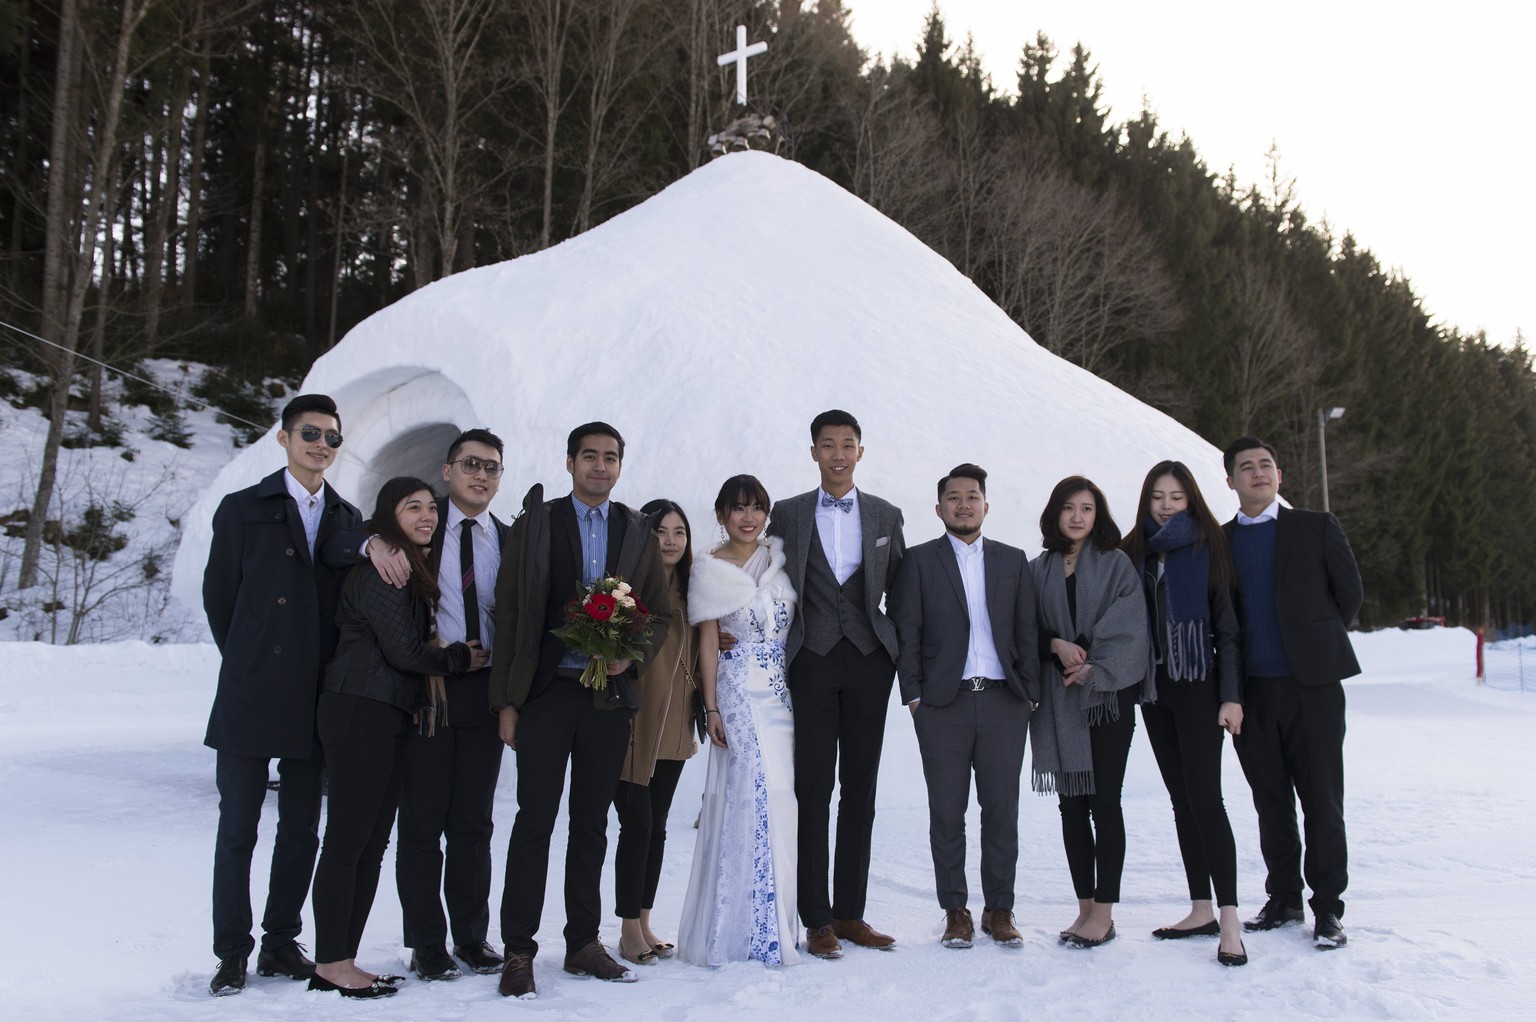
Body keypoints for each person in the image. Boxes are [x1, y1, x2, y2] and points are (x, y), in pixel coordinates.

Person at [489, 422, 672, 999]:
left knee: (592, 824)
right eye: (588, 456)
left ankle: (582, 942)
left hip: (606, 701)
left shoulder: (637, 531)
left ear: (621, 465)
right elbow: (511, 612)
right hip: (546, 694)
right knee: (534, 821)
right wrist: (508, 702)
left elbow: (661, 614)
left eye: (610, 458)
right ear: (569, 463)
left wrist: (629, 659)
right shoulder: (538, 524)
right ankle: (519, 949)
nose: (600, 466)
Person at [201, 393, 364, 996]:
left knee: (301, 829)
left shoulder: (348, 519)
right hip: (251, 693)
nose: (322, 445)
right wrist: (250, 657)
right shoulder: (244, 510)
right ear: (284, 438)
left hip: (315, 698)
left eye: (332, 438)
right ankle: (232, 951)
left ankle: (278, 941)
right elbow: (221, 599)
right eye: (311, 434)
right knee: (238, 829)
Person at [309, 478, 486, 998]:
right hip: (358, 710)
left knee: (370, 843)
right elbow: (406, 653)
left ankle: (344, 958)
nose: (427, 515)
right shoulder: (382, 572)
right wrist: (460, 657)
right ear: (389, 517)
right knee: (347, 841)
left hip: (385, 715)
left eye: (432, 507)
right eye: (413, 508)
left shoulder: (407, 569)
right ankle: (331, 962)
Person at [765, 409, 905, 958]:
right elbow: (763, 574)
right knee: (813, 789)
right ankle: (816, 918)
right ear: (814, 452)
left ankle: (850, 914)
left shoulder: (886, 515)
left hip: (871, 661)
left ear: (861, 452)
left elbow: (900, 588)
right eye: (828, 445)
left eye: (848, 445)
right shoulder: (789, 513)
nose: (838, 454)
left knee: (861, 792)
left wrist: (898, 653)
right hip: (812, 660)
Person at [1221, 436, 1362, 950]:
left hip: (1314, 689)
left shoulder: (1315, 526)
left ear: (1279, 475)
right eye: (1246, 467)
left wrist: (1312, 644)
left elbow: (1349, 595)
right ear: (1230, 480)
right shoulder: (1220, 541)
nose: (1258, 473)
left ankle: (1327, 909)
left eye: (1266, 465)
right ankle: (1283, 898)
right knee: (1270, 801)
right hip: (1251, 694)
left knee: (1322, 800)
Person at [891, 464, 1039, 951]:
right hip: (942, 706)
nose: (963, 504)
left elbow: (1026, 631)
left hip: (1002, 702)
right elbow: (906, 631)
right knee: (946, 811)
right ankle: (956, 911)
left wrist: (1030, 692)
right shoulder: (918, 561)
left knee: (1001, 811)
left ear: (985, 505)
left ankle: (1000, 909)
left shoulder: (1012, 560)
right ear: (939, 509)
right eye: (953, 498)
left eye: (972, 496)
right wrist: (914, 696)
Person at [391, 429, 511, 980]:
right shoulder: (419, 527)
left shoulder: (509, 540)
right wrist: (371, 541)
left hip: (483, 694)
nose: (481, 475)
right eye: (470, 464)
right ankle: (426, 944)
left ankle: (470, 936)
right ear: (447, 471)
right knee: (421, 823)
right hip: (429, 693)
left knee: (473, 824)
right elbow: (357, 537)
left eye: (491, 467)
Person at [1120, 461, 1247, 967]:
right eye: (1157, 496)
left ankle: (1231, 919)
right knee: (1180, 800)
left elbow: (1228, 627)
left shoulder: (1208, 545)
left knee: (1205, 799)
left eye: (1175, 496)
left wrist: (1231, 695)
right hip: (1154, 687)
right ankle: (1200, 909)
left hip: (1199, 683)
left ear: (1190, 499)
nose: (1166, 505)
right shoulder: (1135, 551)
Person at [677, 475, 800, 966]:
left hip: (779, 698)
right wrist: (711, 707)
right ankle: (741, 931)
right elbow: (708, 641)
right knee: (749, 798)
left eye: (757, 508)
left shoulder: (778, 560)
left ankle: (778, 922)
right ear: (722, 514)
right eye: (738, 509)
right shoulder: (708, 567)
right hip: (737, 694)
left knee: (781, 800)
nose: (748, 517)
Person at [1030, 476, 1152, 950]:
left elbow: (1130, 624)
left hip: (1106, 699)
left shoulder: (1117, 564)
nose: (1078, 516)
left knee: (1104, 803)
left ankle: (1104, 912)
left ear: (1098, 515)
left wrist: (1090, 661)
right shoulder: (1038, 568)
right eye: (1068, 508)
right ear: (1055, 514)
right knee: (1071, 805)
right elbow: (1025, 626)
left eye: (1087, 508)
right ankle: (1083, 908)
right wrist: (1054, 645)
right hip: (1059, 700)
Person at [611, 499, 701, 966]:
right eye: (659, 531)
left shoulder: (692, 590)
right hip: (631, 723)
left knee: (657, 829)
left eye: (679, 532)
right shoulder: (628, 591)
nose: (670, 540)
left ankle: (644, 921)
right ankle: (627, 929)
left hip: (674, 727)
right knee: (637, 825)